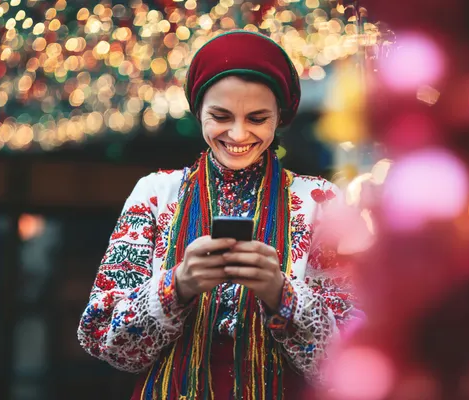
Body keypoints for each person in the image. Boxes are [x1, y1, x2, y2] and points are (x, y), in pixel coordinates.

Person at [78, 30, 357, 399]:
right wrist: (177, 286)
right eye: (220, 116)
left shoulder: (320, 201)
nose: (238, 133)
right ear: (198, 113)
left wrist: (281, 294)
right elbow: (104, 341)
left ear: (280, 118)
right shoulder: (156, 194)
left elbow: (352, 354)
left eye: (258, 118)